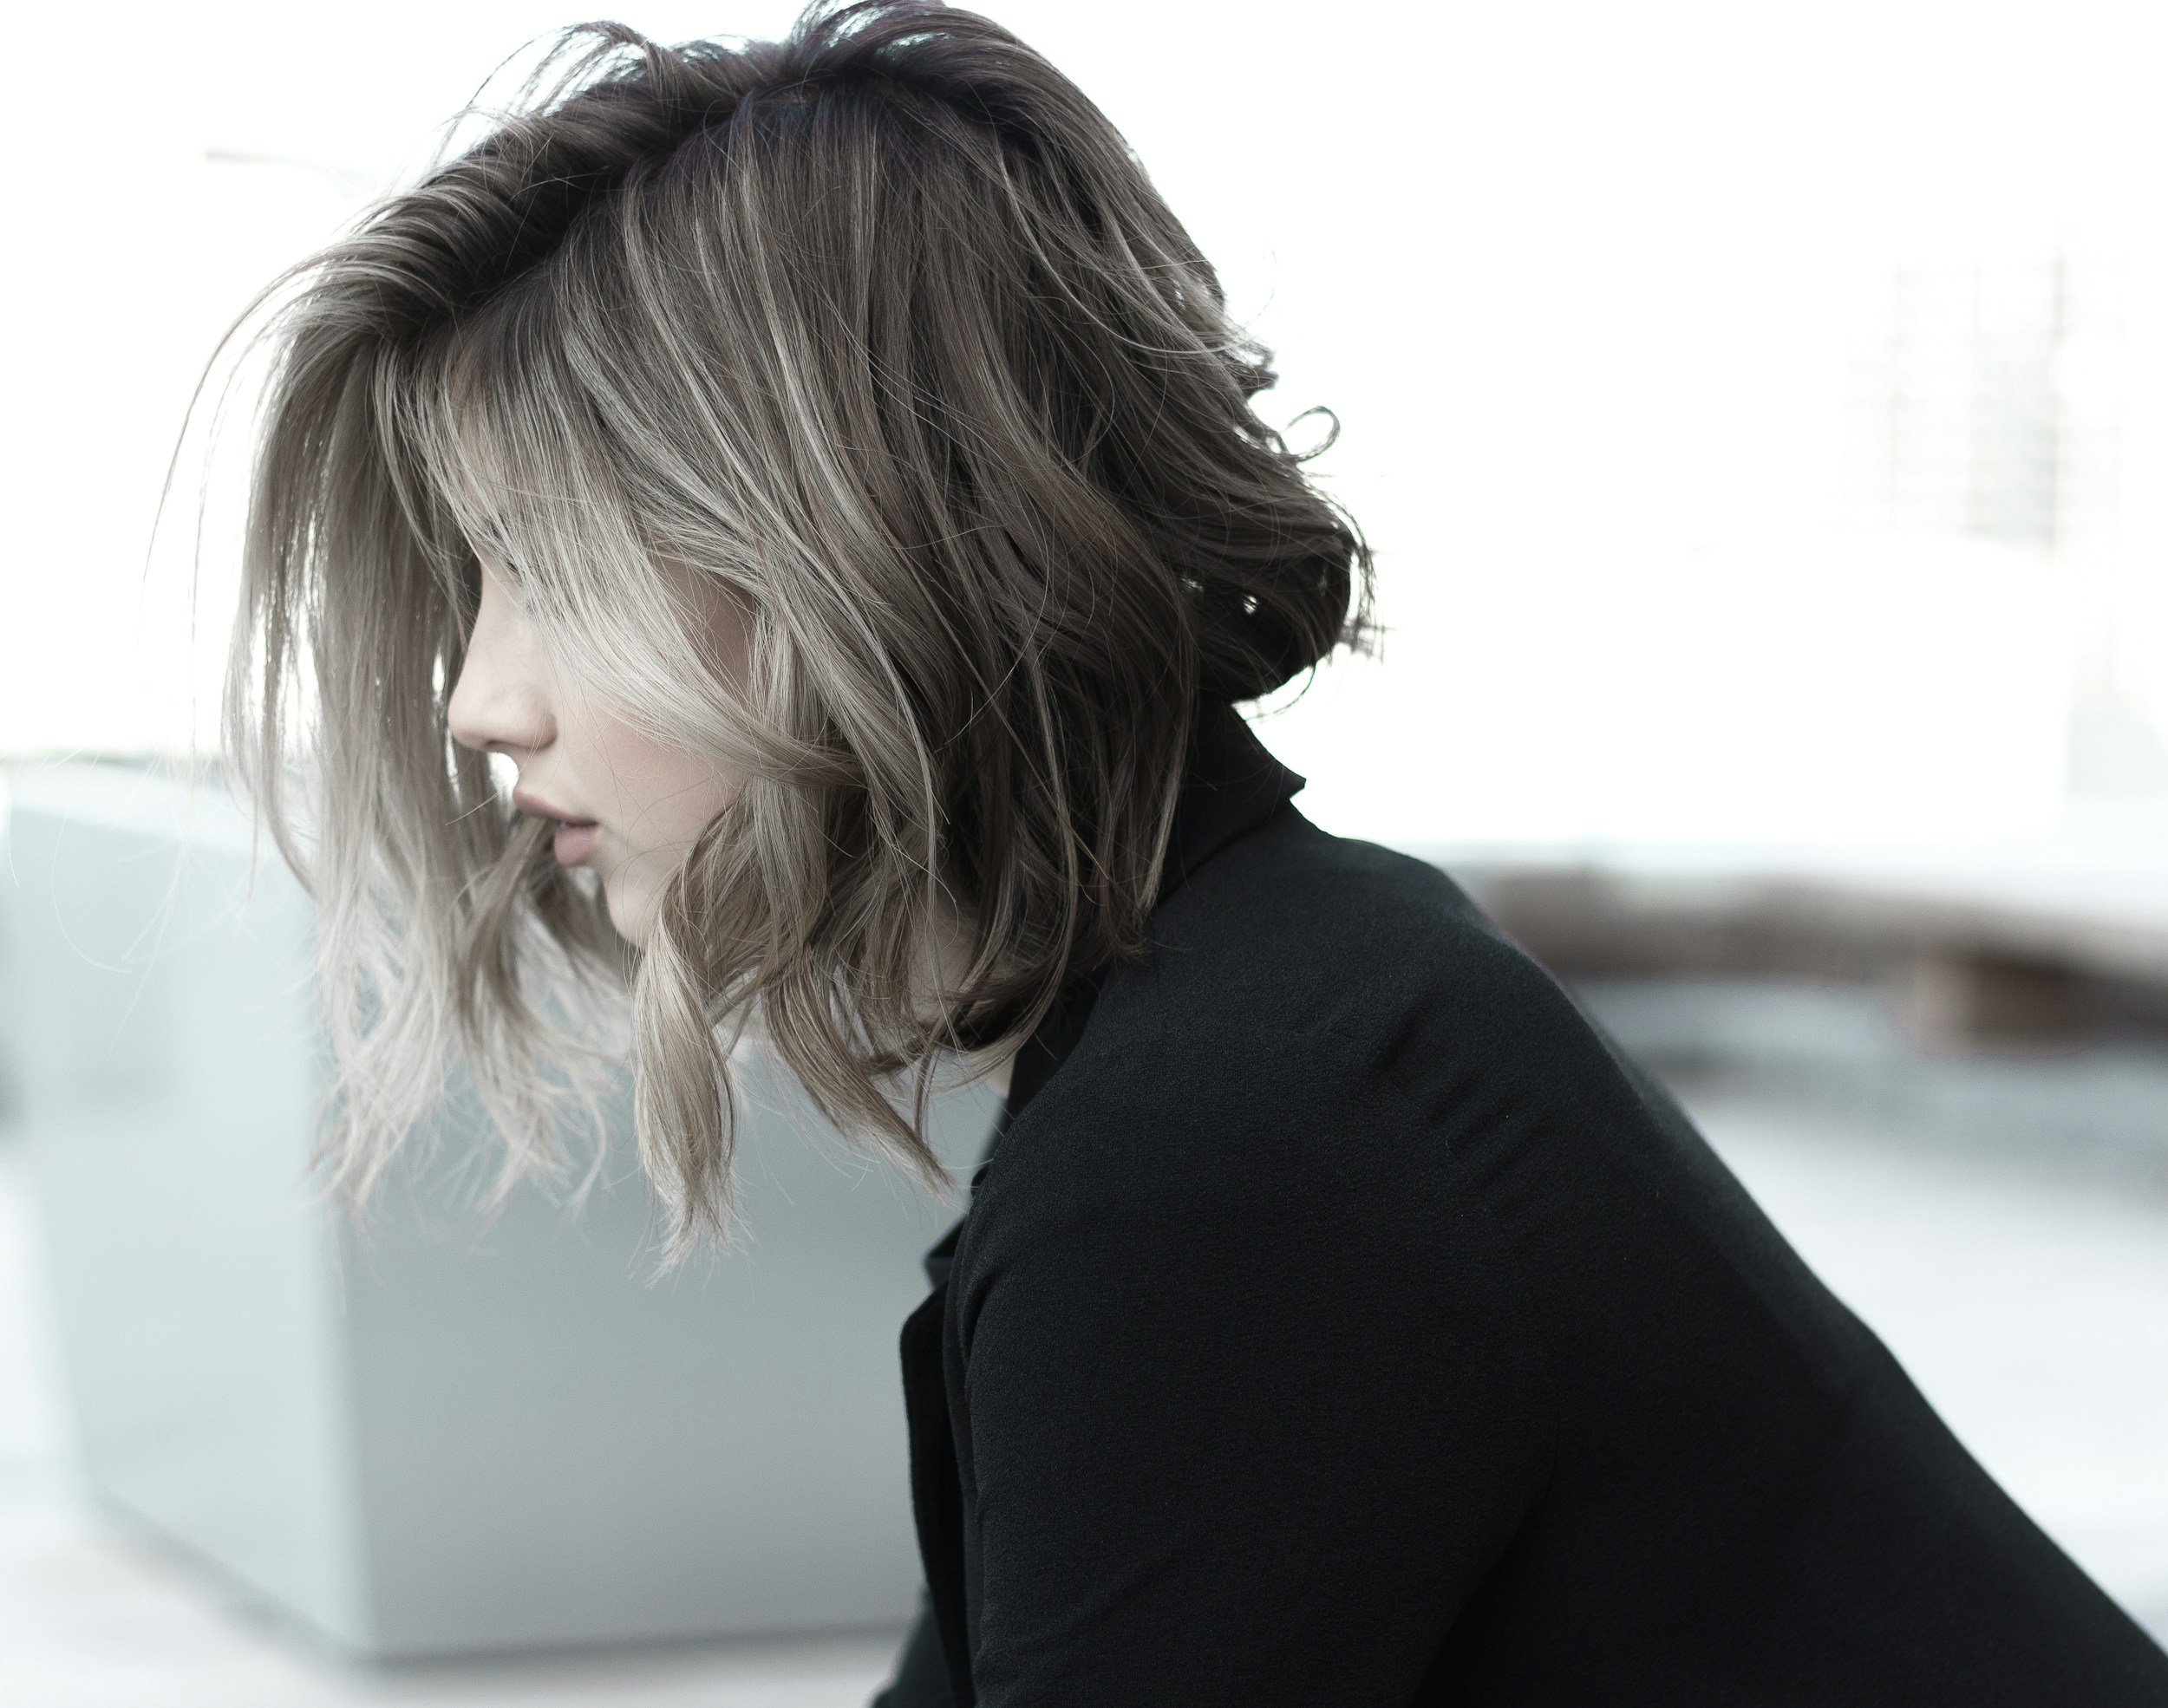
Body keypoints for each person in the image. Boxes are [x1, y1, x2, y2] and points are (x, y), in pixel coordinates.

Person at [220, 3, 2168, 1701]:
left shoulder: (1232, 1143)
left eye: (546, 565)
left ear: (862, 543)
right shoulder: (1253, 1010)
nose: (474, 695)